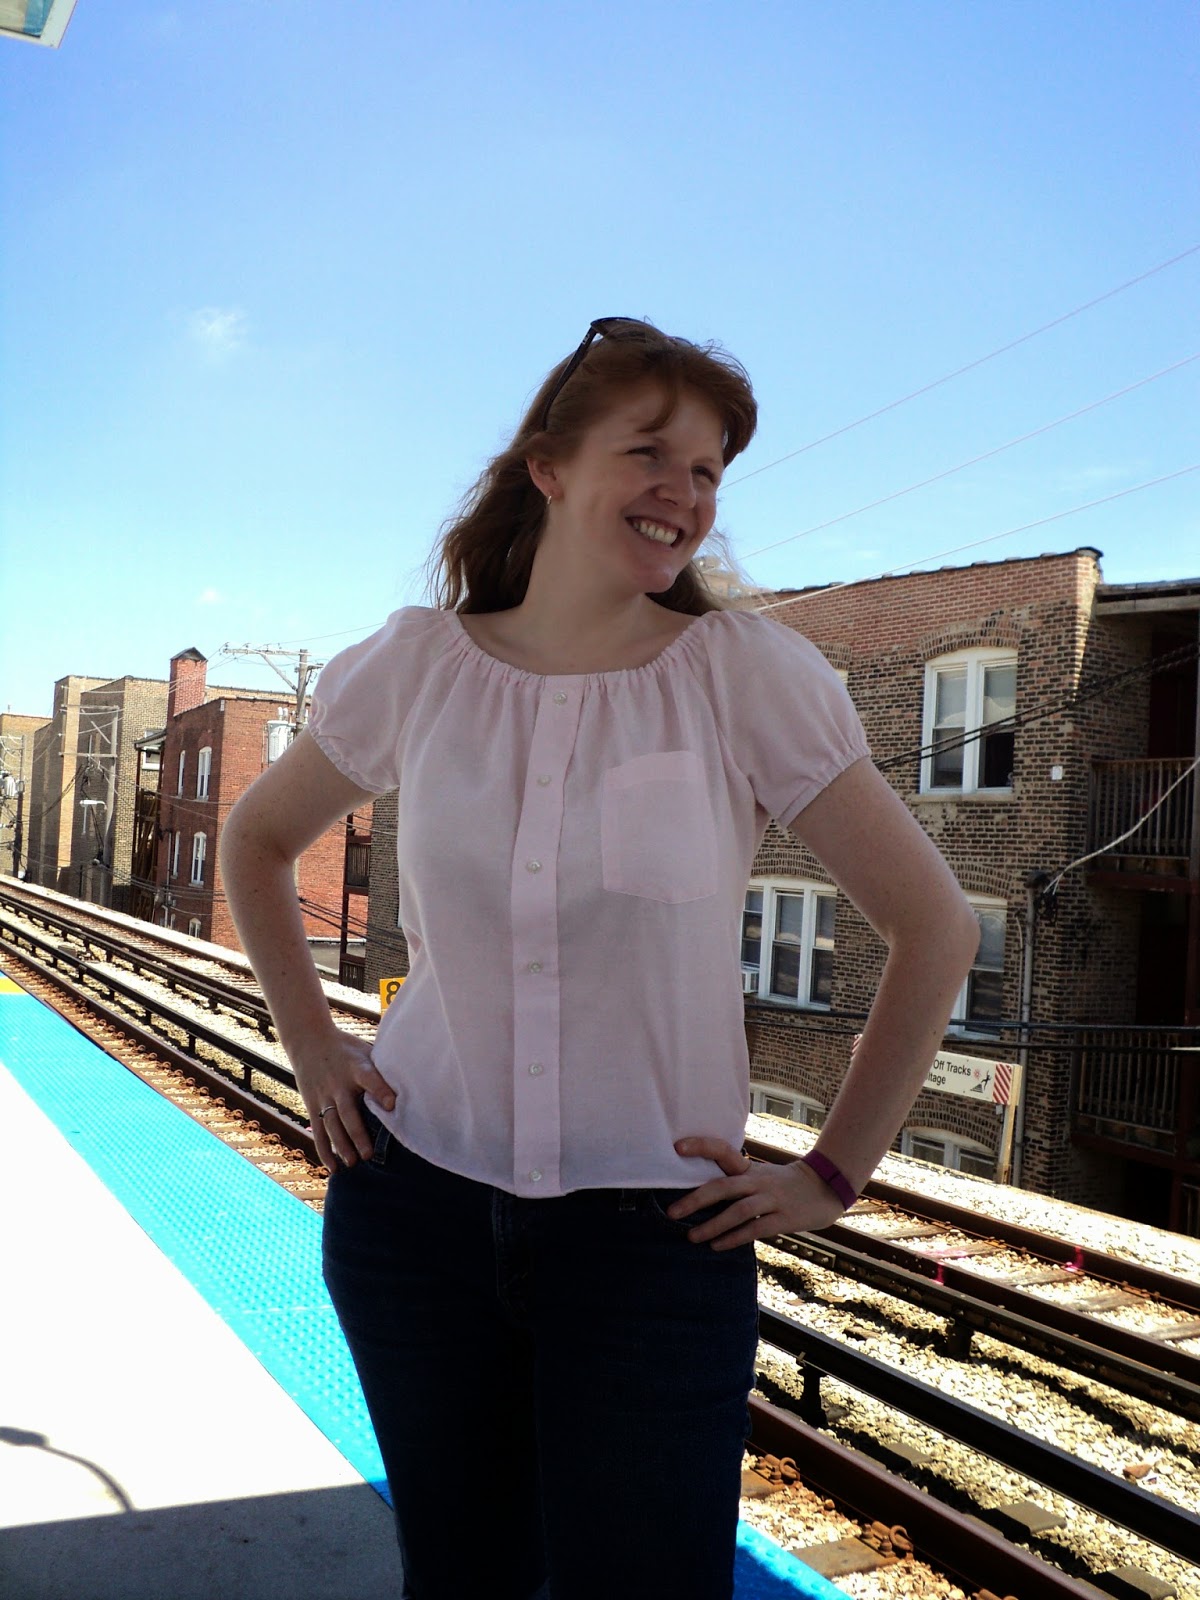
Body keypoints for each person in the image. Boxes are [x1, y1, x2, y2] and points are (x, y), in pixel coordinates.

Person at [220, 316, 981, 1600]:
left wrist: (832, 1171)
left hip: (653, 1245)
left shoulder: (744, 676)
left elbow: (937, 925)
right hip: (415, 1214)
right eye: (651, 452)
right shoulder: (418, 667)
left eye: (709, 470)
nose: (685, 491)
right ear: (550, 466)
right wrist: (314, 1048)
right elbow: (254, 840)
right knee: (462, 1578)